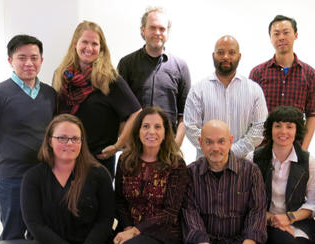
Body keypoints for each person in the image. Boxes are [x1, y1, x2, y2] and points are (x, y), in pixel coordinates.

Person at [20, 114, 115, 244]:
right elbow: (35, 224)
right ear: (49, 140)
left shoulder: (99, 175)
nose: (69, 143)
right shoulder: (33, 177)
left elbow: (105, 220)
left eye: (74, 138)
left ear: (82, 142)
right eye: (62, 138)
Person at [0, 34, 56, 240]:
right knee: (13, 237)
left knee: (42, 235)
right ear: (11, 61)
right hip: (11, 180)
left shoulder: (50, 94)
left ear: (41, 61)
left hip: (44, 177)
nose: (29, 63)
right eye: (22, 57)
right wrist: (3, 160)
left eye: (34, 57)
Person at [105, 107, 190, 244]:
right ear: (137, 131)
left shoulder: (176, 165)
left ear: (166, 132)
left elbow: (170, 213)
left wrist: (136, 231)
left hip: (165, 235)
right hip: (129, 229)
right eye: (145, 126)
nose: (151, 132)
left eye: (157, 127)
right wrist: (127, 229)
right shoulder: (125, 159)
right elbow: (119, 200)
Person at [181, 120, 270, 244]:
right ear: (200, 143)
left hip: (240, 241)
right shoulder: (190, 173)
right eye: (209, 142)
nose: (215, 147)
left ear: (230, 141)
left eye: (221, 141)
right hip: (204, 242)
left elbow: (257, 213)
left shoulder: (250, 171)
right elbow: (190, 214)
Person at [248, 106, 315, 244]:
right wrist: (273, 219)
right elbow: (246, 203)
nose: (283, 132)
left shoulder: (308, 161)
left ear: (297, 130)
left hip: (297, 223)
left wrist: (288, 218)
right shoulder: (254, 158)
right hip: (264, 223)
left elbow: (314, 204)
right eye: (278, 126)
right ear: (270, 130)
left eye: (290, 126)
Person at [54, 21, 142, 177]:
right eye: (85, 42)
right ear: (75, 43)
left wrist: (118, 145)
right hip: (66, 160)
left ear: (101, 48)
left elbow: (137, 112)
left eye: (95, 44)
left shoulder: (109, 78)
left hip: (98, 163)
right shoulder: (62, 75)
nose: (89, 48)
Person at [184, 35, 268, 159]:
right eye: (221, 52)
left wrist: (232, 152)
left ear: (239, 57)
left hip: (242, 166)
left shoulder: (254, 90)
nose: (226, 57)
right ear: (213, 56)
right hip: (206, 166)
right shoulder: (198, 90)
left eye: (231, 52)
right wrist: (214, 150)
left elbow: (259, 128)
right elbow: (191, 128)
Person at [118, 6, 190, 147]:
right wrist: (125, 144)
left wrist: (175, 147)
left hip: (167, 146)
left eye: (162, 29)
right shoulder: (126, 64)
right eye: (152, 28)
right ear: (143, 30)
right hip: (135, 146)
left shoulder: (181, 67)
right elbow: (120, 111)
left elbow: (185, 116)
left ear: (167, 32)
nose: (157, 33)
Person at [249, 15, 315, 150]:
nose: (281, 37)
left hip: (294, 148)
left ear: (296, 35)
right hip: (262, 148)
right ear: (271, 38)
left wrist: (303, 149)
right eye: (276, 34)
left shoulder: (309, 74)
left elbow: (312, 114)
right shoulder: (257, 73)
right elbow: (249, 114)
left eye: (286, 32)